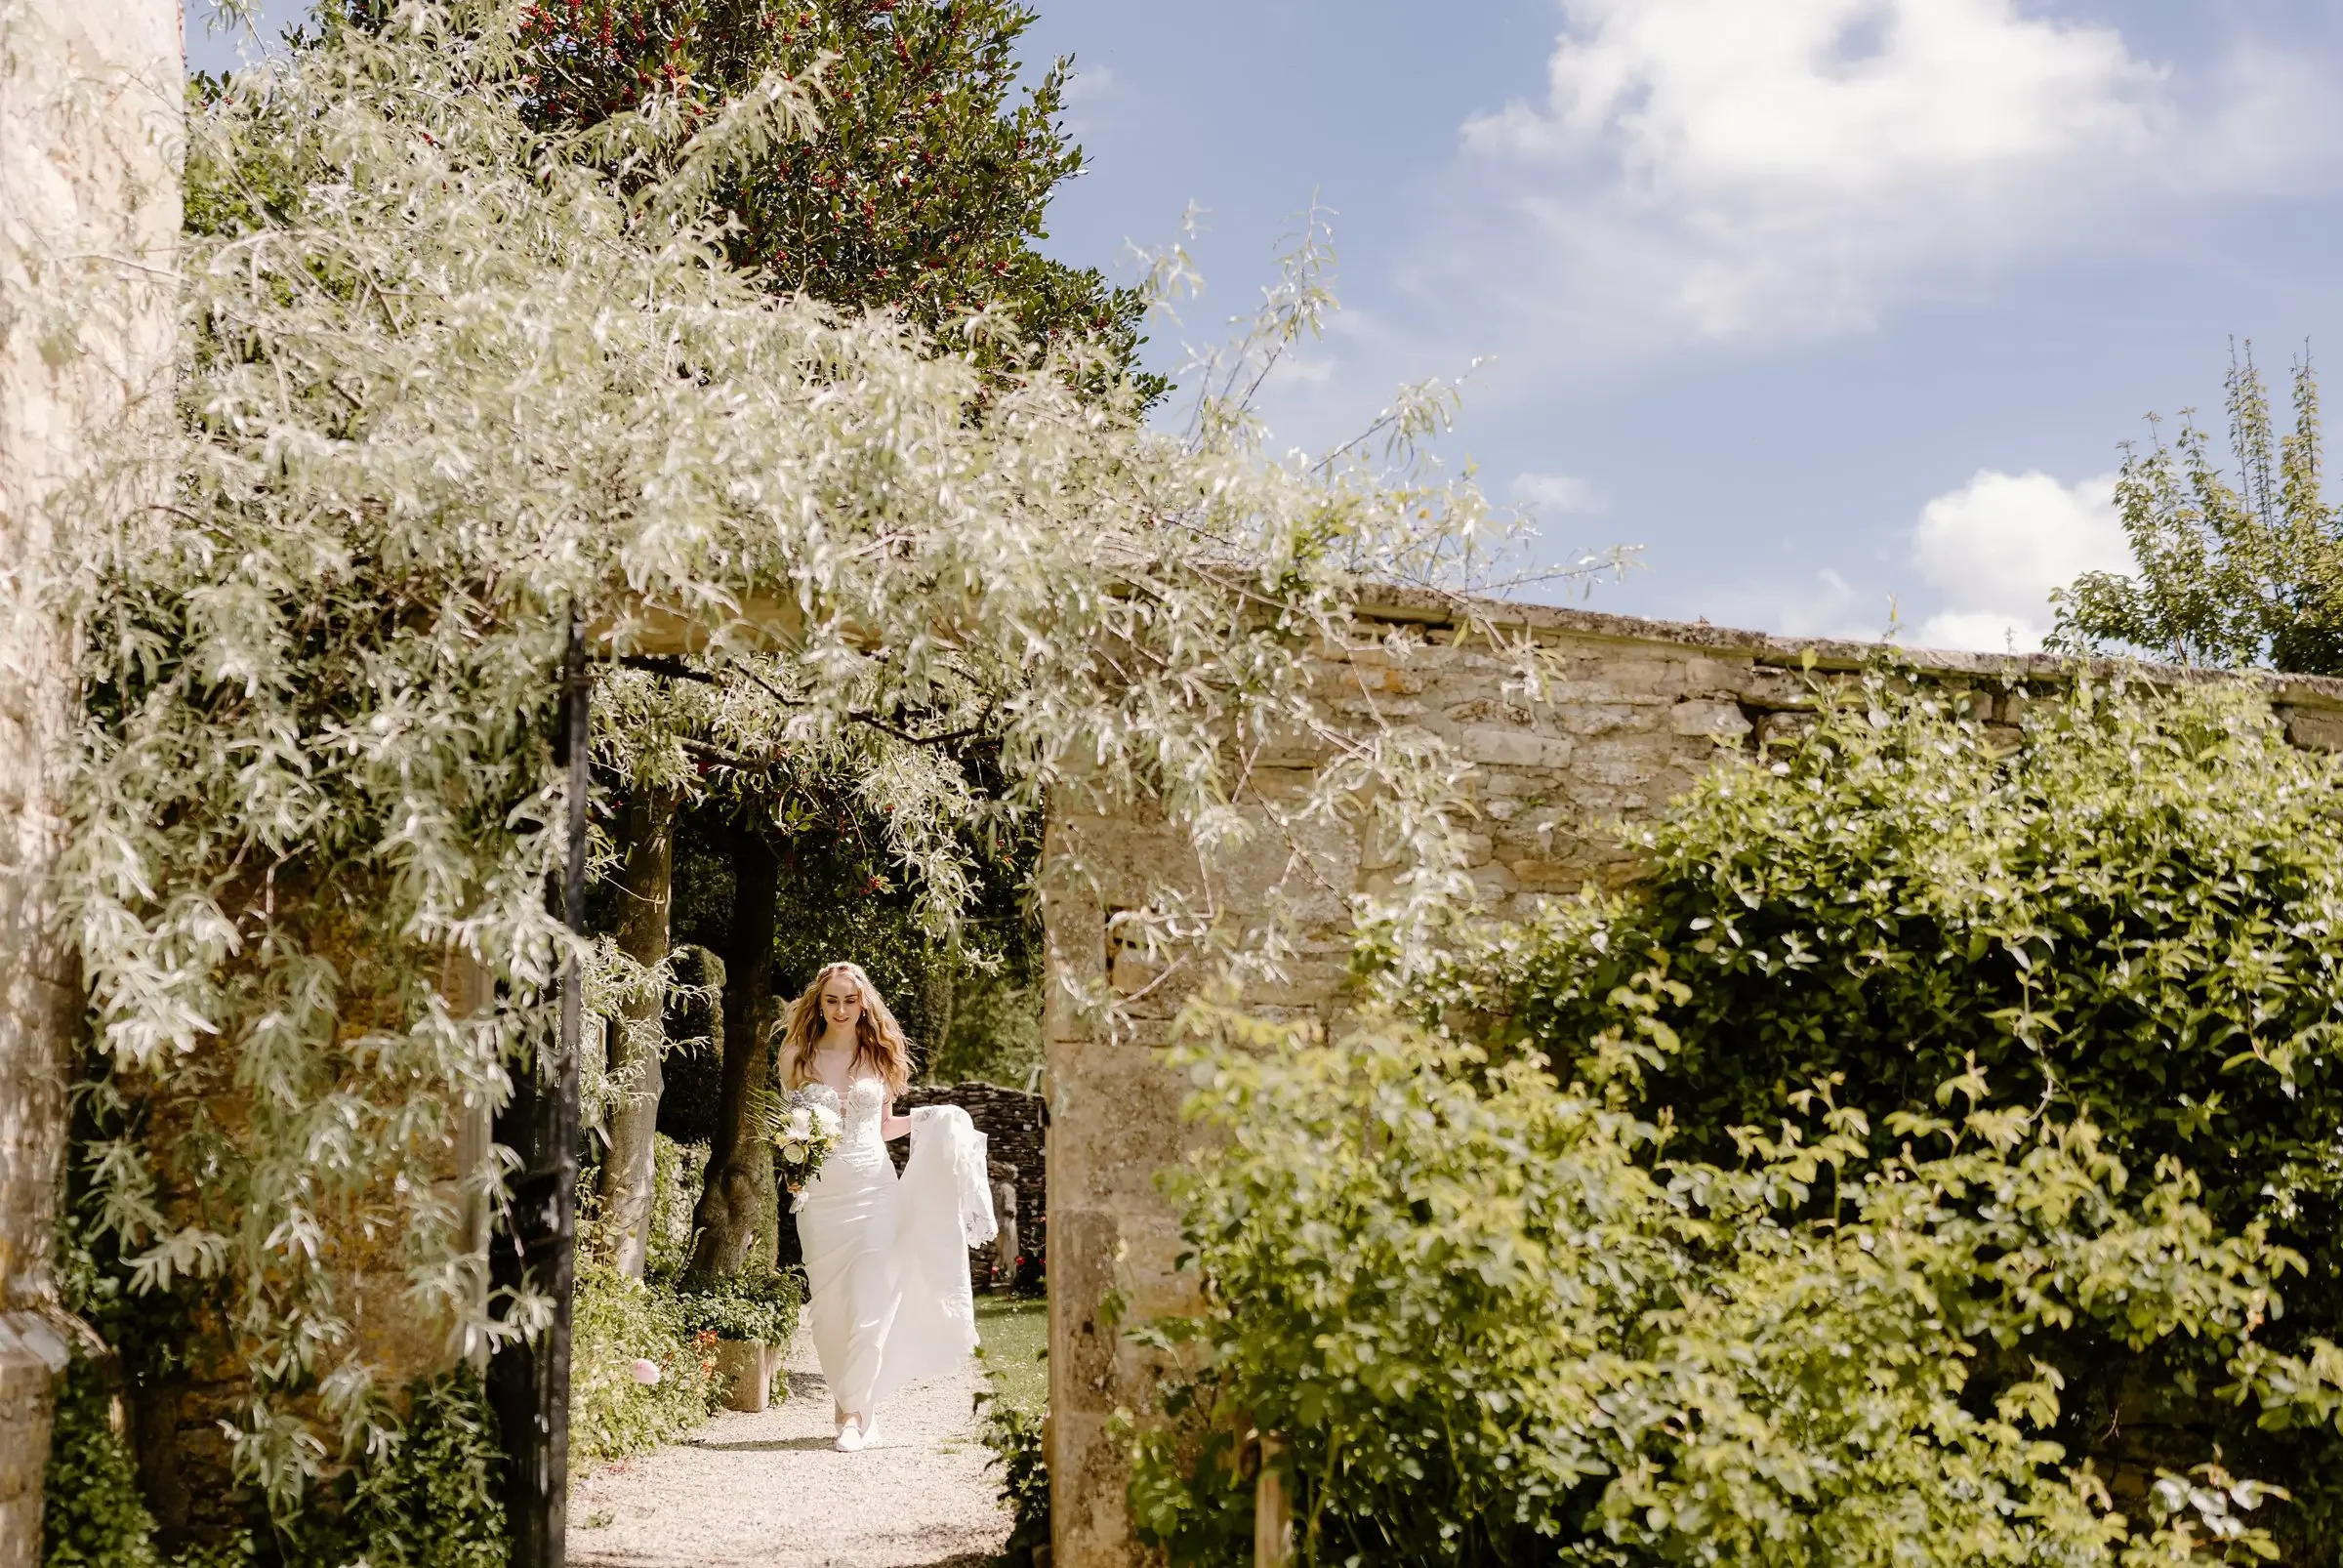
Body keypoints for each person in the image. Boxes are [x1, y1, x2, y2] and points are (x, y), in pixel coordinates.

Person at [780, 961, 994, 1451]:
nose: (840, 1010)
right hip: (820, 1198)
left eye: (849, 1001)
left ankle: (854, 1415)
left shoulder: (877, 1056)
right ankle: (849, 1398)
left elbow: (881, 1128)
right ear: (819, 1002)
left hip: (874, 1188)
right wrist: (792, 1163)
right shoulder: (796, 1056)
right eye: (832, 1000)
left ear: (863, 1004)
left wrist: (933, 1121)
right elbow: (788, 1126)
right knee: (831, 1311)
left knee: (874, 1299)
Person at [989, 1163, 1020, 1293]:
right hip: (1007, 1222)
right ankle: (1008, 1275)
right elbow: (1009, 1208)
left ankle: (998, 1273)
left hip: (997, 1222)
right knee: (1010, 1249)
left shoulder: (996, 1187)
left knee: (1001, 1249)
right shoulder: (1008, 1188)